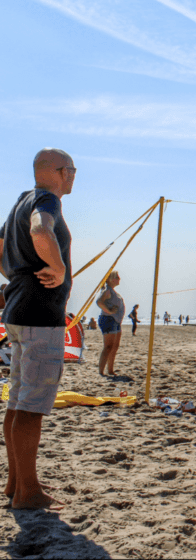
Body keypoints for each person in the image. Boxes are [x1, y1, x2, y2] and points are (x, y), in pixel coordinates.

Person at [0, 148, 76, 510]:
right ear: (60, 171)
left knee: (18, 400)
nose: (74, 176)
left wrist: (16, 275)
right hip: (38, 315)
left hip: (18, 311)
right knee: (30, 405)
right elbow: (40, 229)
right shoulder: (45, 200)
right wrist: (57, 269)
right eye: (72, 170)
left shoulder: (21, 199)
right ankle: (28, 492)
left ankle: (16, 483)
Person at [96, 271, 126, 377]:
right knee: (108, 346)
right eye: (117, 277)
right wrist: (109, 311)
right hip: (109, 319)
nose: (119, 279)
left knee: (114, 346)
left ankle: (110, 370)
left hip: (116, 320)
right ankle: (101, 371)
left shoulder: (112, 291)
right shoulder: (107, 290)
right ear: (110, 279)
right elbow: (99, 302)